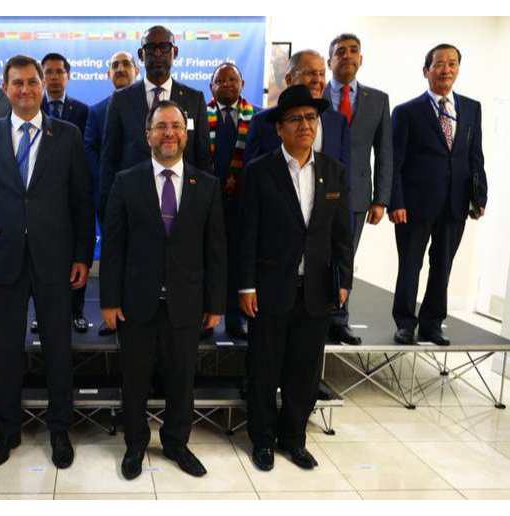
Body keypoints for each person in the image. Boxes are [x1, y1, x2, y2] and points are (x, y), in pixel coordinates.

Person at [0, 55, 94, 470]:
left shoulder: (67, 134)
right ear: (5, 88)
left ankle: (60, 429)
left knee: (57, 348)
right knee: (7, 351)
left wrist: (83, 255)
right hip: (3, 260)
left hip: (55, 259)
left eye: (32, 82)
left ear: (42, 86)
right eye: (16, 83)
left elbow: (81, 201)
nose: (24, 90)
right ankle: (8, 430)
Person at [101, 100, 226, 480]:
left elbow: (216, 249)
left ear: (186, 134)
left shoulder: (207, 185)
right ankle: (135, 445)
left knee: (181, 381)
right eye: (161, 126)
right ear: (148, 135)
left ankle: (176, 443)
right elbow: (113, 247)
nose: (168, 133)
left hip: (187, 303)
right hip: (136, 303)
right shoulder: (126, 181)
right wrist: (109, 300)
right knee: (135, 381)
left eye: (175, 126)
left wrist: (215, 303)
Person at [239, 85, 353, 472]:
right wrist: (246, 285)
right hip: (270, 288)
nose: (305, 125)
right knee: (264, 369)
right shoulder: (260, 171)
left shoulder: (333, 171)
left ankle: (294, 439)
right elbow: (247, 233)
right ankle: (262, 440)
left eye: (311, 117)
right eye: (295, 119)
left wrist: (344, 280)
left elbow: (341, 234)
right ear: (279, 128)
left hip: (317, 289)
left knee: (304, 373)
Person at [389, 44, 487, 346]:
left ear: (458, 69)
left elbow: (475, 155)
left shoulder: (471, 108)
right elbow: (395, 162)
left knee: (443, 265)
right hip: (414, 204)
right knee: (410, 265)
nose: (446, 69)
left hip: (455, 202)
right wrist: (396, 201)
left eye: (452, 64)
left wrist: (480, 196)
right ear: (426, 70)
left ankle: (432, 324)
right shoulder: (406, 112)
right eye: (440, 64)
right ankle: (405, 323)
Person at [323, 33, 393, 346]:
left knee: (345, 257)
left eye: (353, 51)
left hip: (357, 194)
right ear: (330, 61)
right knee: (316, 256)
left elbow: (385, 152)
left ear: (361, 59)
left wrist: (381, 199)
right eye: (340, 51)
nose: (347, 56)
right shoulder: (316, 95)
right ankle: (315, 317)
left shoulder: (378, 100)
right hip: (318, 190)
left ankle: (339, 320)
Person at [100, 25, 211, 219]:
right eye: (151, 48)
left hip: (183, 206)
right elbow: (110, 158)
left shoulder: (195, 99)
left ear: (175, 52)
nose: (158, 53)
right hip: (132, 206)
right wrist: (108, 212)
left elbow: (202, 158)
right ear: (141, 55)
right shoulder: (121, 99)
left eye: (164, 47)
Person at [31, 52, 90, 334]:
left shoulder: (83, 111)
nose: (53, 77)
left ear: (68, 76)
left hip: (71, 194)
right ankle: (40, 314)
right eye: (48, 72)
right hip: (40, 198)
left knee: (76, 257)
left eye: (59, 72)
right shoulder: (31, 108)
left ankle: (77, 311)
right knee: (39, 260)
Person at [84, 50, 138, 337]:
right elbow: (90, 151)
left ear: (136, 71)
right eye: (115, 65)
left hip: (146, 198)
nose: (120, 68)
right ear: (107, 74)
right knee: (112, 256)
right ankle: (110, 316)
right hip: (111, 198)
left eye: (126, 64)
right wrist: (109, 185)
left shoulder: (151, 106)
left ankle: (138, 313)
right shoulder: (96, 111)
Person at [206, 62, 259, 340]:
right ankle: (207, 316)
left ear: (242, 84)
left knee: (239, 258)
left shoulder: (258, 117)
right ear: (211, 87)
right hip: (208, 201)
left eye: (232, 80)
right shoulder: (197, 116)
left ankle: (236, 318)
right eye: (220, 80)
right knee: (209, 259)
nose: (226, 84)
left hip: (245, 200)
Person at [244, 50, 350, 170]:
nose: (317, 80)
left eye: (322, 74)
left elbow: (344, 174)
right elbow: (251, 174)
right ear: (289, 79)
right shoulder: (262, 122)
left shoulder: (338, 123)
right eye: (310, 73)